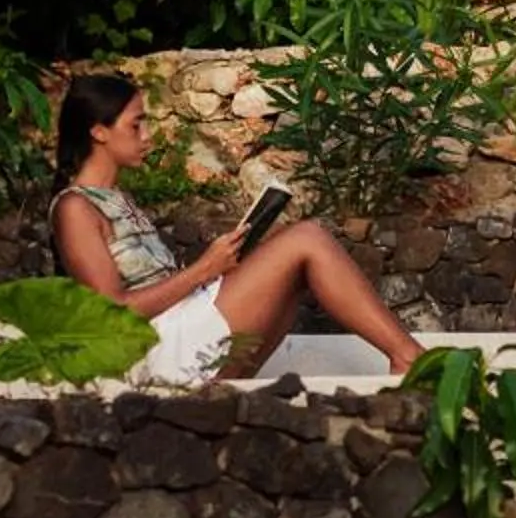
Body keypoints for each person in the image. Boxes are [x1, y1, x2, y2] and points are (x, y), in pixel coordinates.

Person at [50, 71, 424, 384]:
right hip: (156, 350)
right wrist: (204, 270)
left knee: (289, 256)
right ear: (99, 132)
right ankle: (409, 357)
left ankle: (407, 356)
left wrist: (221, 264)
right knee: (306, 238)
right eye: (136, 124)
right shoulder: (75, 208)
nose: (147, 135)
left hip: (179, 327)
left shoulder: (118, 198)